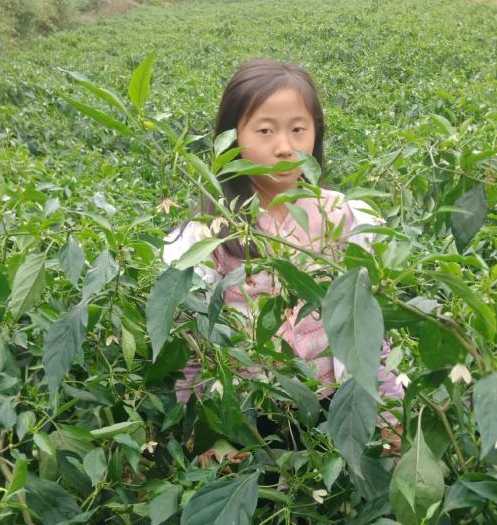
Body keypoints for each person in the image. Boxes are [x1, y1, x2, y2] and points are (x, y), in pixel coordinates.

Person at [162, 58, 404, 441]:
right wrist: (202, 430)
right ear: (231, 138)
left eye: (298, 129)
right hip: (246, 412)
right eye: (265, 130)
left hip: (334, 401)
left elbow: (366, 327)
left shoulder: (343, 218)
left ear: (316, 134)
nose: (285, 147)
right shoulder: (209, 234)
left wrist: (387, 408)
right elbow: (193, 341)